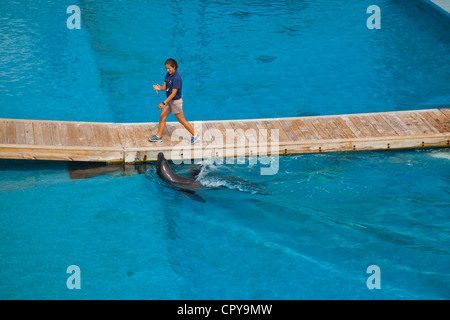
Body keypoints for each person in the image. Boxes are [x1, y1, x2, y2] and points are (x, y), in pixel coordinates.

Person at [149, 59, 200, 144]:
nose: (168, 70)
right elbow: (164, 87)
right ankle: (158, 137)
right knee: (162, 116)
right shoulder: (168, 75)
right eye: (166, 68)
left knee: (181, 120)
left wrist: (163, 103)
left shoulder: (177, 78)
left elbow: (173, 94)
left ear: (174, 67)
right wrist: (159, 88)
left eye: (169, 68)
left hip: (175, 102)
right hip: (169, 101)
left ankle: (195, 135)